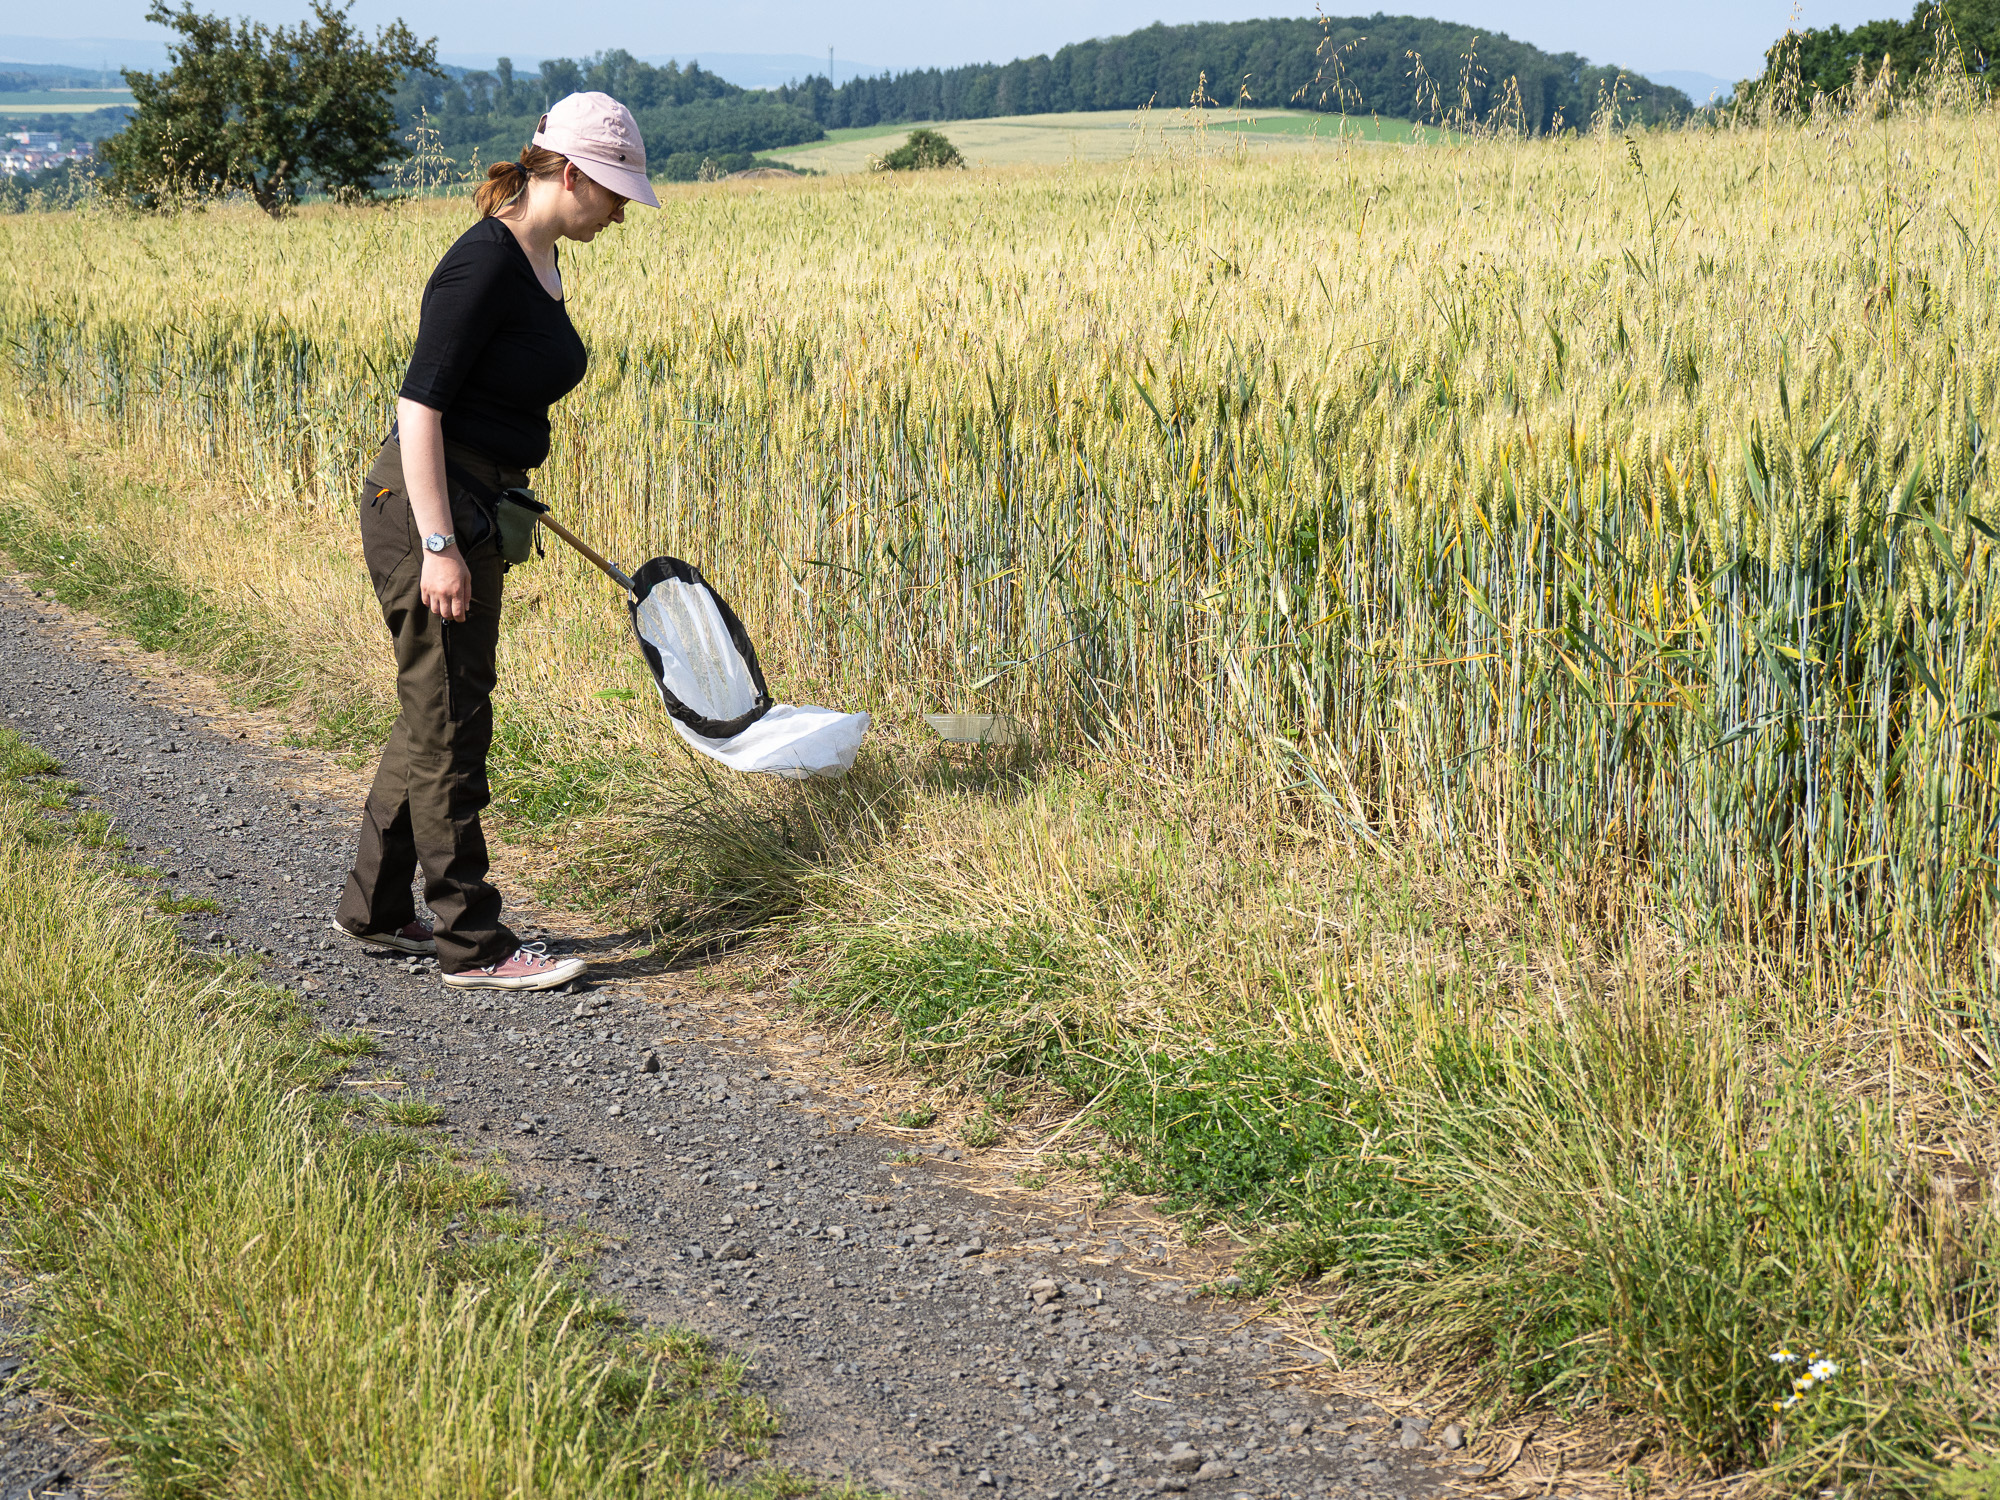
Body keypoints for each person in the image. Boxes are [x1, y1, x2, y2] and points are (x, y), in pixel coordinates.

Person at [332, 92, 659, 991]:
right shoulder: (481, 263)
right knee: (453, 726)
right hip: (428, 508)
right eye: (618, 188)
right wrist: (439, 541)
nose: (625, 207)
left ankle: (376, 907)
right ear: (573, 174)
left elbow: (492, 398)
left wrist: (502, 486)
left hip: (478, 501)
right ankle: (474, 945)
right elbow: (420, 407)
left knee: (434, 709)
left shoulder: (540, 257)